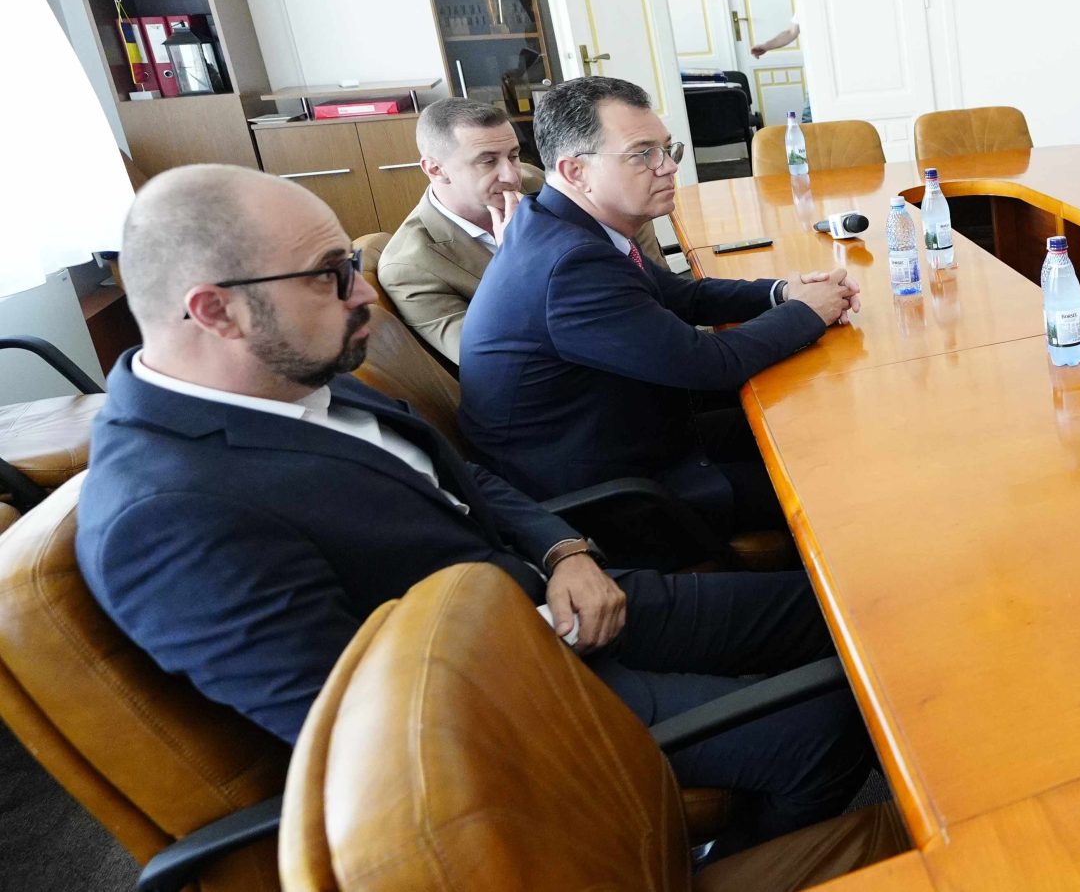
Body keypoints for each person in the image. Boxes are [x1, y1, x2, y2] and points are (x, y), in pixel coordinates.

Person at [76, 164, 875, 852]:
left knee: (850, 609)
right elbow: (374, 725)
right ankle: (724, 861)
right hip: (521, 696)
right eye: (330, 274)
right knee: (831, 726)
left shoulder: (283, 371)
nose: (363, 292)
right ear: (215, 310)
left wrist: (564, 550)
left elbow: (467, 478)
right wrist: (541, 622)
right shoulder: (164, 516)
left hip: (570, 594)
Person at [458, 76, 859, 541]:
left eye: (667, 149)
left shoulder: (562, 221)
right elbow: (709, 364)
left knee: (825, 427)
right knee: (839, 482)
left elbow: (679, 295)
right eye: (643, 154)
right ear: (575, 171)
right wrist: (808, 312)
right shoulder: (570, 264)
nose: (668, 167)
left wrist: (783, 292)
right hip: (609, 496)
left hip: (630, 431)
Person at [380, 98, 671, 364]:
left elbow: (624, 214)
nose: (511, 175)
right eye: (488, 161)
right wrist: (516, 258)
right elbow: (484, 358)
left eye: (514, 155)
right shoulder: (410, 267)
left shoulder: (533, 182)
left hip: (636, 324)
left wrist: (660, 298)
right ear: (435, 170)